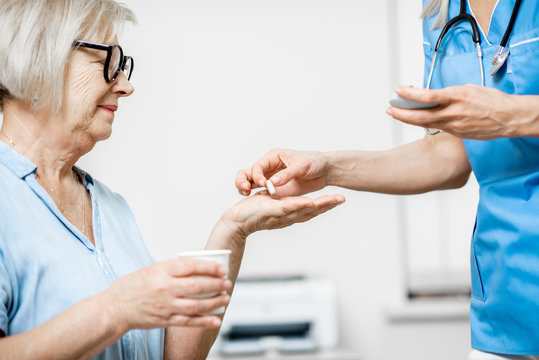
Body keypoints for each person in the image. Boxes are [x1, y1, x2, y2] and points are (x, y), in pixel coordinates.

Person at [0, 1, 346, 359]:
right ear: (39, 59)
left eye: (123, 66)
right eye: (109, 62)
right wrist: (114, 309)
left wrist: (232, 230)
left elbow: (173, 357)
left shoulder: (110, 207)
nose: (125, 86)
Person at [236, 0, 539, 359]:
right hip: (508, 291)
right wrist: (328, 168)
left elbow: (499, 118)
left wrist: (513, 115)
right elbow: (447, 156)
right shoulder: (441, 9)